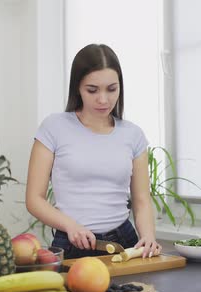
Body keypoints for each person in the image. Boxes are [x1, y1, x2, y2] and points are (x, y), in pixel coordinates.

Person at [25, 43, 162, 260]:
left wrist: (148, 236)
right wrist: (71, 226)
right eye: (92, 90)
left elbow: (141, 199)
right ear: (77, 87)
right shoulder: (53, 127)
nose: (103, 99)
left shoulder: (133, 135)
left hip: (124, 242)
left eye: (111, 89)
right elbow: (34, 199)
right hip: (71, 242)